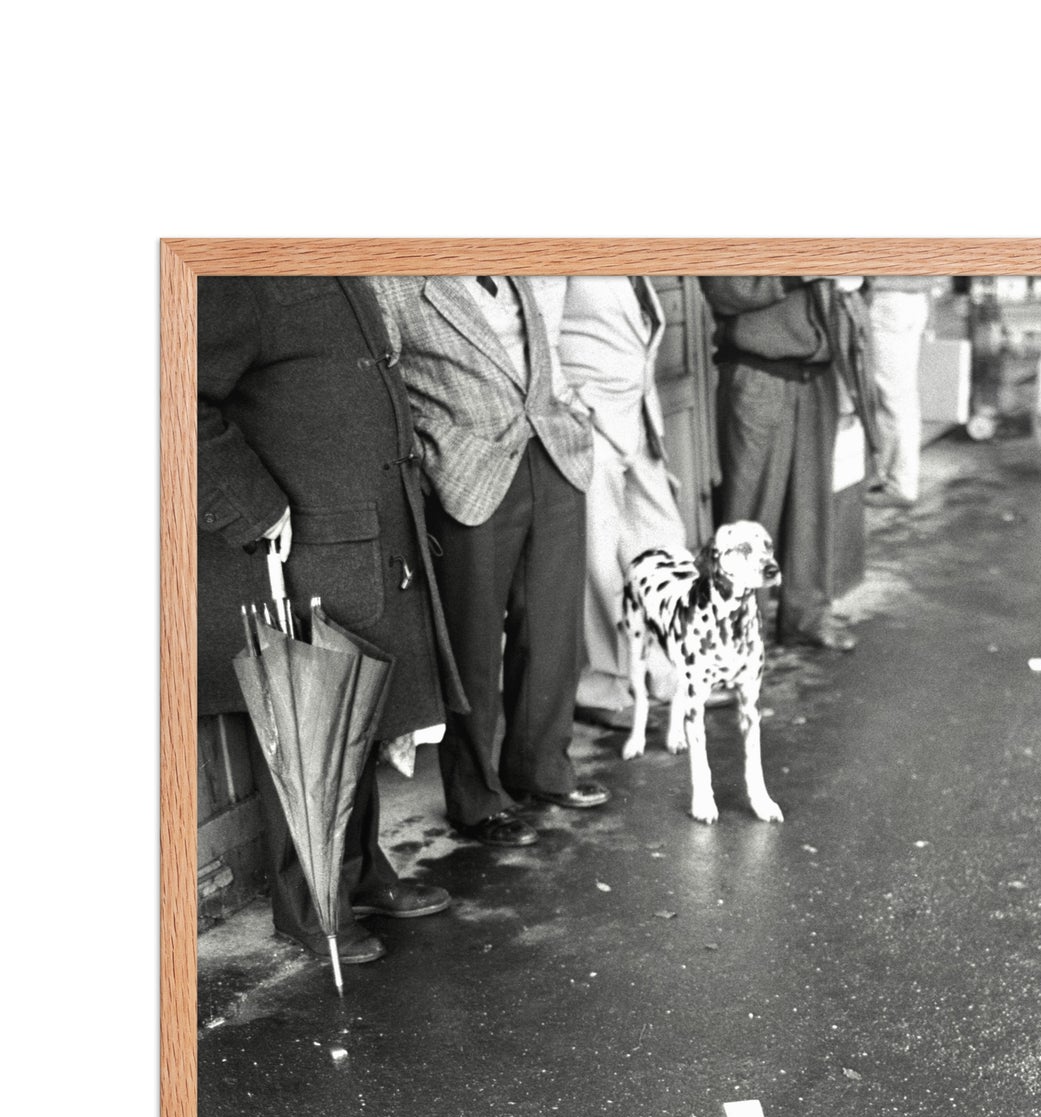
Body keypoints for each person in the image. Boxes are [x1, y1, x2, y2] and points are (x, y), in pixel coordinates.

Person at [198, 276, 468, 964]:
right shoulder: (239, 276)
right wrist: (250, 506)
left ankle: (361, 874)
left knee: (354, 716)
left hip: (357, 536)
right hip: (291, 542)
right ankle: (312, 907)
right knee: (304, 723)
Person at [366, 275, 603, 847]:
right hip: (467, 474)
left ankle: (541, 768)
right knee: (470, 648)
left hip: (552, 456)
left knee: (552, 633)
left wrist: (574, 413)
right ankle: (476, 800)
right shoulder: (390, 278)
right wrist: (436, 450)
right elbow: (381, 386)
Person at [541, 275, 690, 728]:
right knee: (599, 560)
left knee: (664, 539)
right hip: (590, 425)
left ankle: (670, 675)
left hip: (638, 416)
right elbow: (541, 336)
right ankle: (602, 687)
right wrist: (574, 410)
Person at [700, 275, 856, 652]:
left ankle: (806, 617)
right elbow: (723, 288)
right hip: (759, 373)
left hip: (818, 374)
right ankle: (737, 633)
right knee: (749, 511)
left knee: (812, 506)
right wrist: (797, 271)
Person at [865, 276, 939, 504]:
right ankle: (887, 476)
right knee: (897, 398)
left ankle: (900, 484)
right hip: (909, 302)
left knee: (894, 399)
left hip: (889, 303)